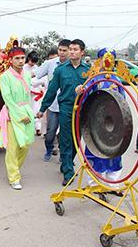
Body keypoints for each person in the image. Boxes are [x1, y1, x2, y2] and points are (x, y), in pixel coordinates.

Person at [37, 39, 90, 186]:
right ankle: (68, 172)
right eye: (70, 49)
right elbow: (52, 90)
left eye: (75, 49)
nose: (72, 51)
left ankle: (66, 163)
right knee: (66, 140)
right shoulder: (60, 70)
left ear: (82, 52)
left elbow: (94, 89)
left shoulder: (88, 70)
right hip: (66, 108)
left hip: (82, 109)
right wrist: (42, 108)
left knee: (76, 141)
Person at [80, 48, 124, 193]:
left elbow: (122, 103)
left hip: (113, 123)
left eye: (111, 59)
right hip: (95, 123)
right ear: (98, 61)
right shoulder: (93, 80)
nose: (107, 62)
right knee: (95, 152)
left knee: (114, 153)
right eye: (104, 59)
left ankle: (113, 184)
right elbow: (86, 99)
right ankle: (94, 184)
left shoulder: (116, 80)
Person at [0, 46, 35, 190]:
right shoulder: (5, 77)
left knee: (25, 144)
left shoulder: (26, 74)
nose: (20, 61)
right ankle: (13, 177)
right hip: (12, 113)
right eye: (17, 58)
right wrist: (20, 115)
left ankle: (14, 169)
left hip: (26, 110)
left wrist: (29, 113)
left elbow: (28, 95)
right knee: (13, 147)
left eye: (22, 58)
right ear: (10, 60)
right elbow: (8, 99)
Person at [34, 39, 71, 161]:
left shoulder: (74, 66)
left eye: (64, 50)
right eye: (60, 50)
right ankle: (49, 149)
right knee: (50, 133)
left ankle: (64, 157)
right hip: (53, 106)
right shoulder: (50, 64)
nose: (61, 53)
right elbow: (35, 74)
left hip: (68, 107)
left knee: (66, 135)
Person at [23, 51, 45, 136]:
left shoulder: (37, 68)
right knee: (27, 110)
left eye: (34, 62)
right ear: (28, 59)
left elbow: (41, 79)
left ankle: (38, 128)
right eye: (32, 61)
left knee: (36, 109)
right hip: (26, 93)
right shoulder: (23, 68)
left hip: (36, 93)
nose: (33, 64)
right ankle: (27, 128)